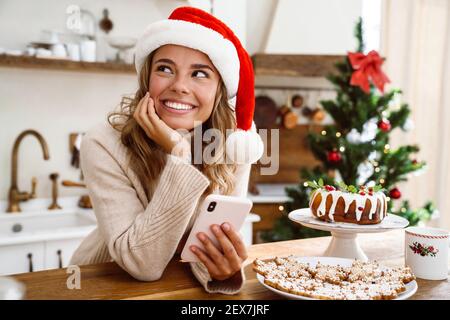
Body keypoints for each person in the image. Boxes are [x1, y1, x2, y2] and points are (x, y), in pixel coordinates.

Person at [70, 6, 263, 295]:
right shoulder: (102, 142)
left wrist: (221, 270)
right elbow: (141, 264)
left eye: (199, 73)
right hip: (102, 284)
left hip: (179, 288)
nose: (179, 86)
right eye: (164, 69)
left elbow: (207, 243)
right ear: (147, 78)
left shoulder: (234, 141)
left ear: (218, 90)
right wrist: (179, 153)